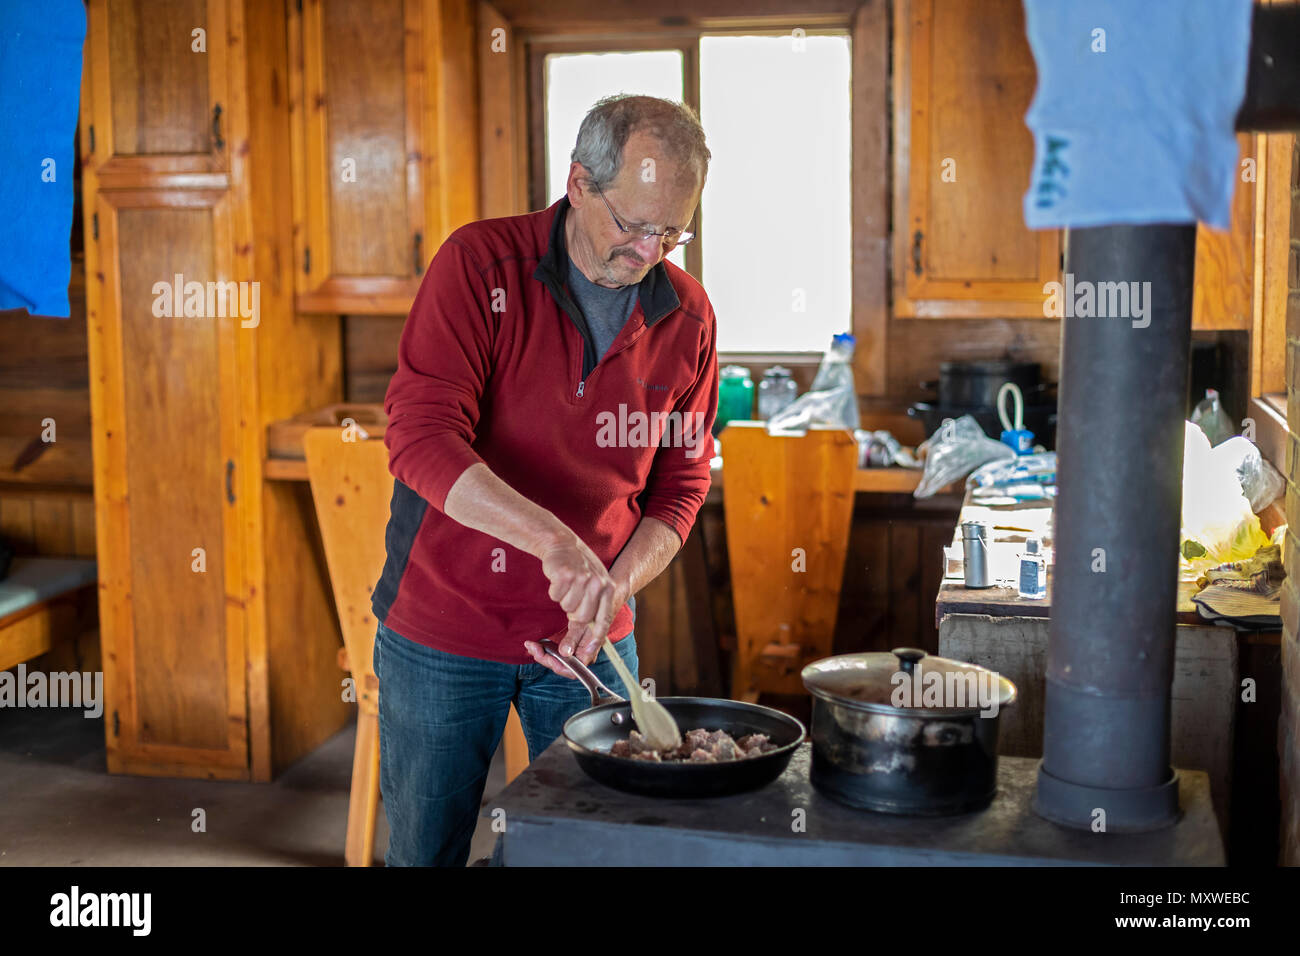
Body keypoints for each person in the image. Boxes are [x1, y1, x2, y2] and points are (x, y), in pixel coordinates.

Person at [371, 94, 719, 866]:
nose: (649, 252)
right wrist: (556, 544)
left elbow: (680, 484)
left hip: (592, 636)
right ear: (579, 183)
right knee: (426, 852)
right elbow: (420, 439)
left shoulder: (689, 317)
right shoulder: (477, 266)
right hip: (445, 623)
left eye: (673, 232)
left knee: (586, 849)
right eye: (633, 225)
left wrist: (613, 586)